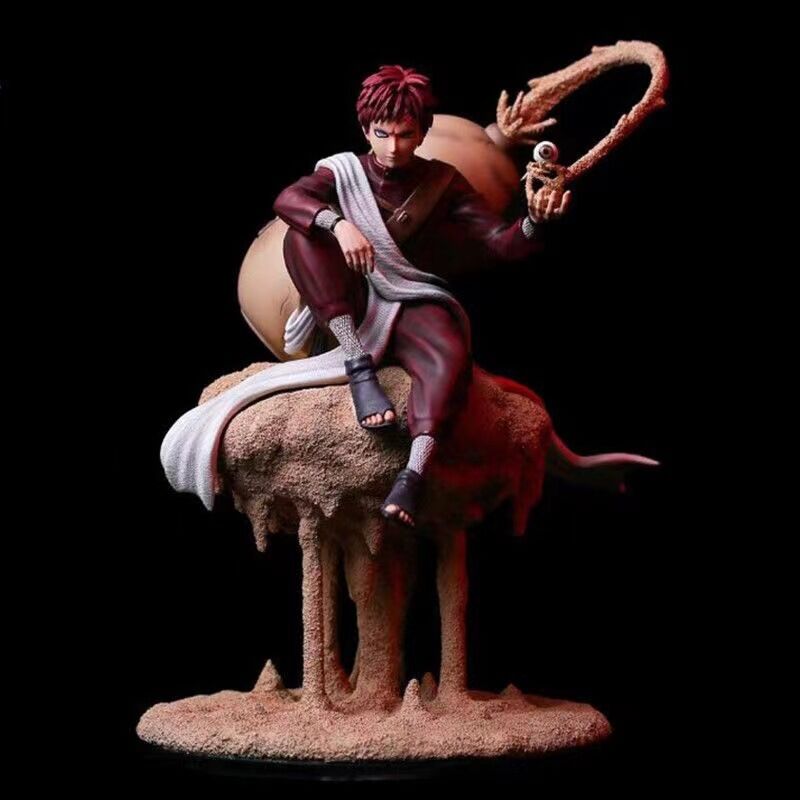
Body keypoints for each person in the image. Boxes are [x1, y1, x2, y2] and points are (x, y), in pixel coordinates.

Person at [272, 64, 570, 528]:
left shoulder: (443, 182)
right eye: (382, 134)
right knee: (302, 236)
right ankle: (358, 367)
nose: (393, 147)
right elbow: (289, 200)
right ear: (365, 131)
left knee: (449, 354)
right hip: (350, 293)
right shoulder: (342, 171)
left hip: (409, 293)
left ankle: (413, 474)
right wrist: (339, 223)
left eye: (405, 134)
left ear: (423, 132)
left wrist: (534, 220)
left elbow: (499, 243)